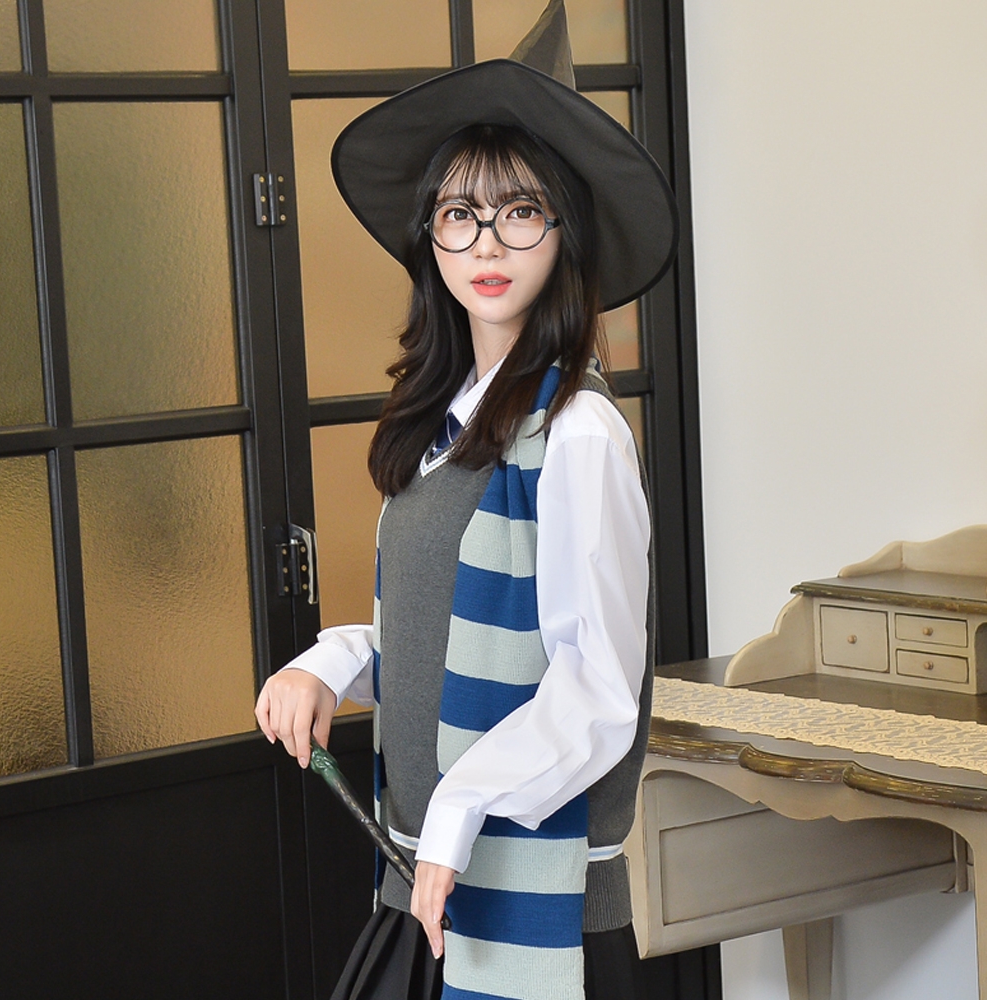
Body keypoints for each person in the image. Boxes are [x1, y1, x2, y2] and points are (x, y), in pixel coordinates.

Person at [255, 5, 677, 998]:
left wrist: (459, 808)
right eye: (459, 213)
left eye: (521, 210)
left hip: (540, 920)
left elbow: (597, 691)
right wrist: (329, 665)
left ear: (566, 232)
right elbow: (441, 639)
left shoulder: (579, 433)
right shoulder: (440, 423)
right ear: (431, 238)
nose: (488, 241)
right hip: (423, 892)